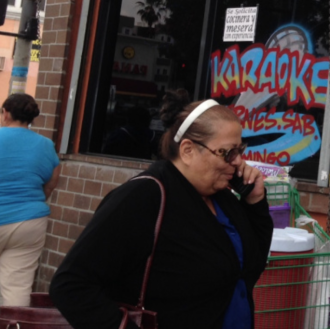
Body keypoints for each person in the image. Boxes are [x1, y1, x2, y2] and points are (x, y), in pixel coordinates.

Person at [50, 90, 273, 329]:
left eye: (240, 150)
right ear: (188, 150)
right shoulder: (144, 197)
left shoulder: (223, 198)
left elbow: (251, 266)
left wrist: (255, 202)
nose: (238, 161)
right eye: (227, 153)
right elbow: (71, 286)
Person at [0, 94, 60, 306]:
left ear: (6, 114)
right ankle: (14, 321)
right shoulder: (46, 145)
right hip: (30, 223)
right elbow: (51, 183)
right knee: (17, 288)